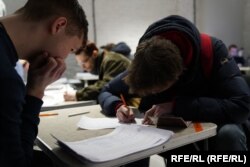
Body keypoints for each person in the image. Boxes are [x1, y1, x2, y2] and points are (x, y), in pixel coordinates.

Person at [98, 15, 250, 154]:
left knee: (230, 134)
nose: (153, 94)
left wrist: (176, 106)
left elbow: (242, 106)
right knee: (145, 140)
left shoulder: (212, 50)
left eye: (156, 91)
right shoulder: (145, 61)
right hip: (179, 132)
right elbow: (106, 91)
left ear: (178, 74)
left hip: (219, 121)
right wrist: (117, 106)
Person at [0, 0, 88, 166]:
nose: (64, 58)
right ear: (59, 25)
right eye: (71, 50)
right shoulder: (6, 80)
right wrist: (35, 91)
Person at [64, 42, 130, 102]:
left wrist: (77, 95)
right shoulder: (104, 60)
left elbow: (106, 87)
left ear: (94, 54)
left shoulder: (112, 61)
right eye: (80, 64)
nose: (83, 67)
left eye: (85, 62)